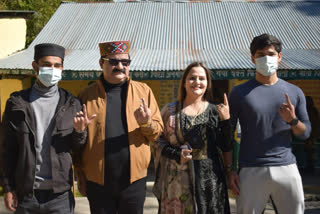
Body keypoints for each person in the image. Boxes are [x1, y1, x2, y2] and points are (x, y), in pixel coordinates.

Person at [75, 40, 163, 214]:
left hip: (133, 181)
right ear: (102, 63)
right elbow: (79, 140)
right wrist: (80, 173)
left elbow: (157, 133)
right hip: (97, 181)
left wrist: (146, 123)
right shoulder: (86, 95)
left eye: (125, 62)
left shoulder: (143, 92)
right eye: (113, 61)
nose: (120, 66)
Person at [228, 33, 311, 214]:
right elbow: (227, 134)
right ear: (252, 58)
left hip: (286, 167)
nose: (266, 58)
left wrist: (293, 121)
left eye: (271, 54)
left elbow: (305, 133)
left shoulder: (294, 92)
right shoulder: (239, 93)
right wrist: (230, 170)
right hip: (250, 170)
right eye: (260, 54)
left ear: (279, 57)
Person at [0, 43, 87, 213]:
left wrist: (79, 131)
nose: (52, 70)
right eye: (46, 65)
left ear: (62, 68)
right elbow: (7, 149)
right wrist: (8, 188)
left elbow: (77, 149)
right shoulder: (17, 103)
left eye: (57, 65)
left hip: (60, 195)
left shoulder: (71, 103)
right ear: (35, 66)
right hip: (26, 195)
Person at [152, 62, 233, 214]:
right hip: (177, 179)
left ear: (207, 83)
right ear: (183, 82)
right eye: (192, 78)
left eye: (202, 78)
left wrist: (226, 121)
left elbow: (225, 145)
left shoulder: (216, 111)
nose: (197, 82)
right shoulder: (170, 111)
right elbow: (157, 141)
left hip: (210, 179)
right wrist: (176, 154)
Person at [304, 96, 320, 174]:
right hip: (311, 134)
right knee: (309, 151)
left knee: (310, 151)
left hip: (310, 134)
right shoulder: (313, 110)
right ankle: (310, 167)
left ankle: (310, 167)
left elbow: (313, 123)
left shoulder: (310, 111)